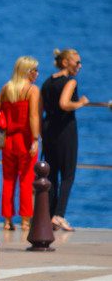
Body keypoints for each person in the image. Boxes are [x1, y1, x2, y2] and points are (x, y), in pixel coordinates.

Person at [40, 49, 89, 231]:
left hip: (48, 128)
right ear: (67, 63)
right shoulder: (70, 81)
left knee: (51, 174)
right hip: (65, 130)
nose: (80, 66)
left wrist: (40, 134)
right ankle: (59, 215)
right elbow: (64, 103)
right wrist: (80, 103)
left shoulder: (47, 82)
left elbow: (40, 110)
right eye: (77, 63)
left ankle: (49, 214)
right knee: (67, 174)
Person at [0, 56, 41, 231]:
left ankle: (7, 221)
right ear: (27, 72)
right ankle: (26, 221)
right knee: (26, 180)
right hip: (26, 140)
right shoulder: (32, 90)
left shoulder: (7, 88)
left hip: (8, 140)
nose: (37, 73)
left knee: (8, 180)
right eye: (34, 70)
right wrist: (35, 139)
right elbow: (33, 116)